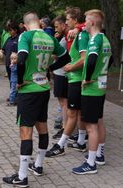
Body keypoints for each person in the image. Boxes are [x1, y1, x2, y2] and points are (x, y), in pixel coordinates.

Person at [2, 12, 71, 187]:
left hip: (29, 90)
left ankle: (22, 176)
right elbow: (66, 58)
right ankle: (38, 165)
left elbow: (22, 58)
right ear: (38, 23)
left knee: (25, 132)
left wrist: (18, 82)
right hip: (43, 89)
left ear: (25, 25)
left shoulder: (26, 35)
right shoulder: (48, 37)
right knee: (42, 128)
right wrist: (49, 69)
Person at [72, 9, 112, 175]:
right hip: (100, 87)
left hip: (92, 89)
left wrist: (87, 77)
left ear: (93, 22)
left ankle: (90, 163)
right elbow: (112, 58)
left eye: (86, 21)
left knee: (91, 126)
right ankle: (99, 156)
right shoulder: (106, 39)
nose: (84, 24)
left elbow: (92, 59)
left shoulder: (95, 39)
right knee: (99, 120)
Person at [46, 7, 89, 158]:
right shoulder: (77, 33)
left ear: (76, 20)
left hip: (76, 78)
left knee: (72, 113)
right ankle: (82, 141)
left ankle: (60, 146)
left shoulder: (81, 33)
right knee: (78, 113)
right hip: (75, 78)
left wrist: (70, 67)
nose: (65, 22)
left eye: (68, 19)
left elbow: (84, 59)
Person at [51, 15, 69, 132]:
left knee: (64, 103)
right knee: (62, 102)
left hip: (62, 73)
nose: (56, 29)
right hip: (60, 72)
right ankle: (65, 126)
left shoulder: (66, 38)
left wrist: (50, 68)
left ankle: (65, 128)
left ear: (63, 25)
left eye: (57, 27)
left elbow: (55, 54)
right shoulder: (62, 37)